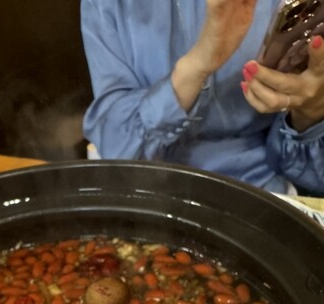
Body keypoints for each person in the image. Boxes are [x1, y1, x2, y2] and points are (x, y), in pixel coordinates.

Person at [80, 0, 324, 195]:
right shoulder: (111, 5)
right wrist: (196, 66)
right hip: (149, 193)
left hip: (258, 190)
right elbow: (118, 150)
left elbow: (314, 176)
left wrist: (309, 113)